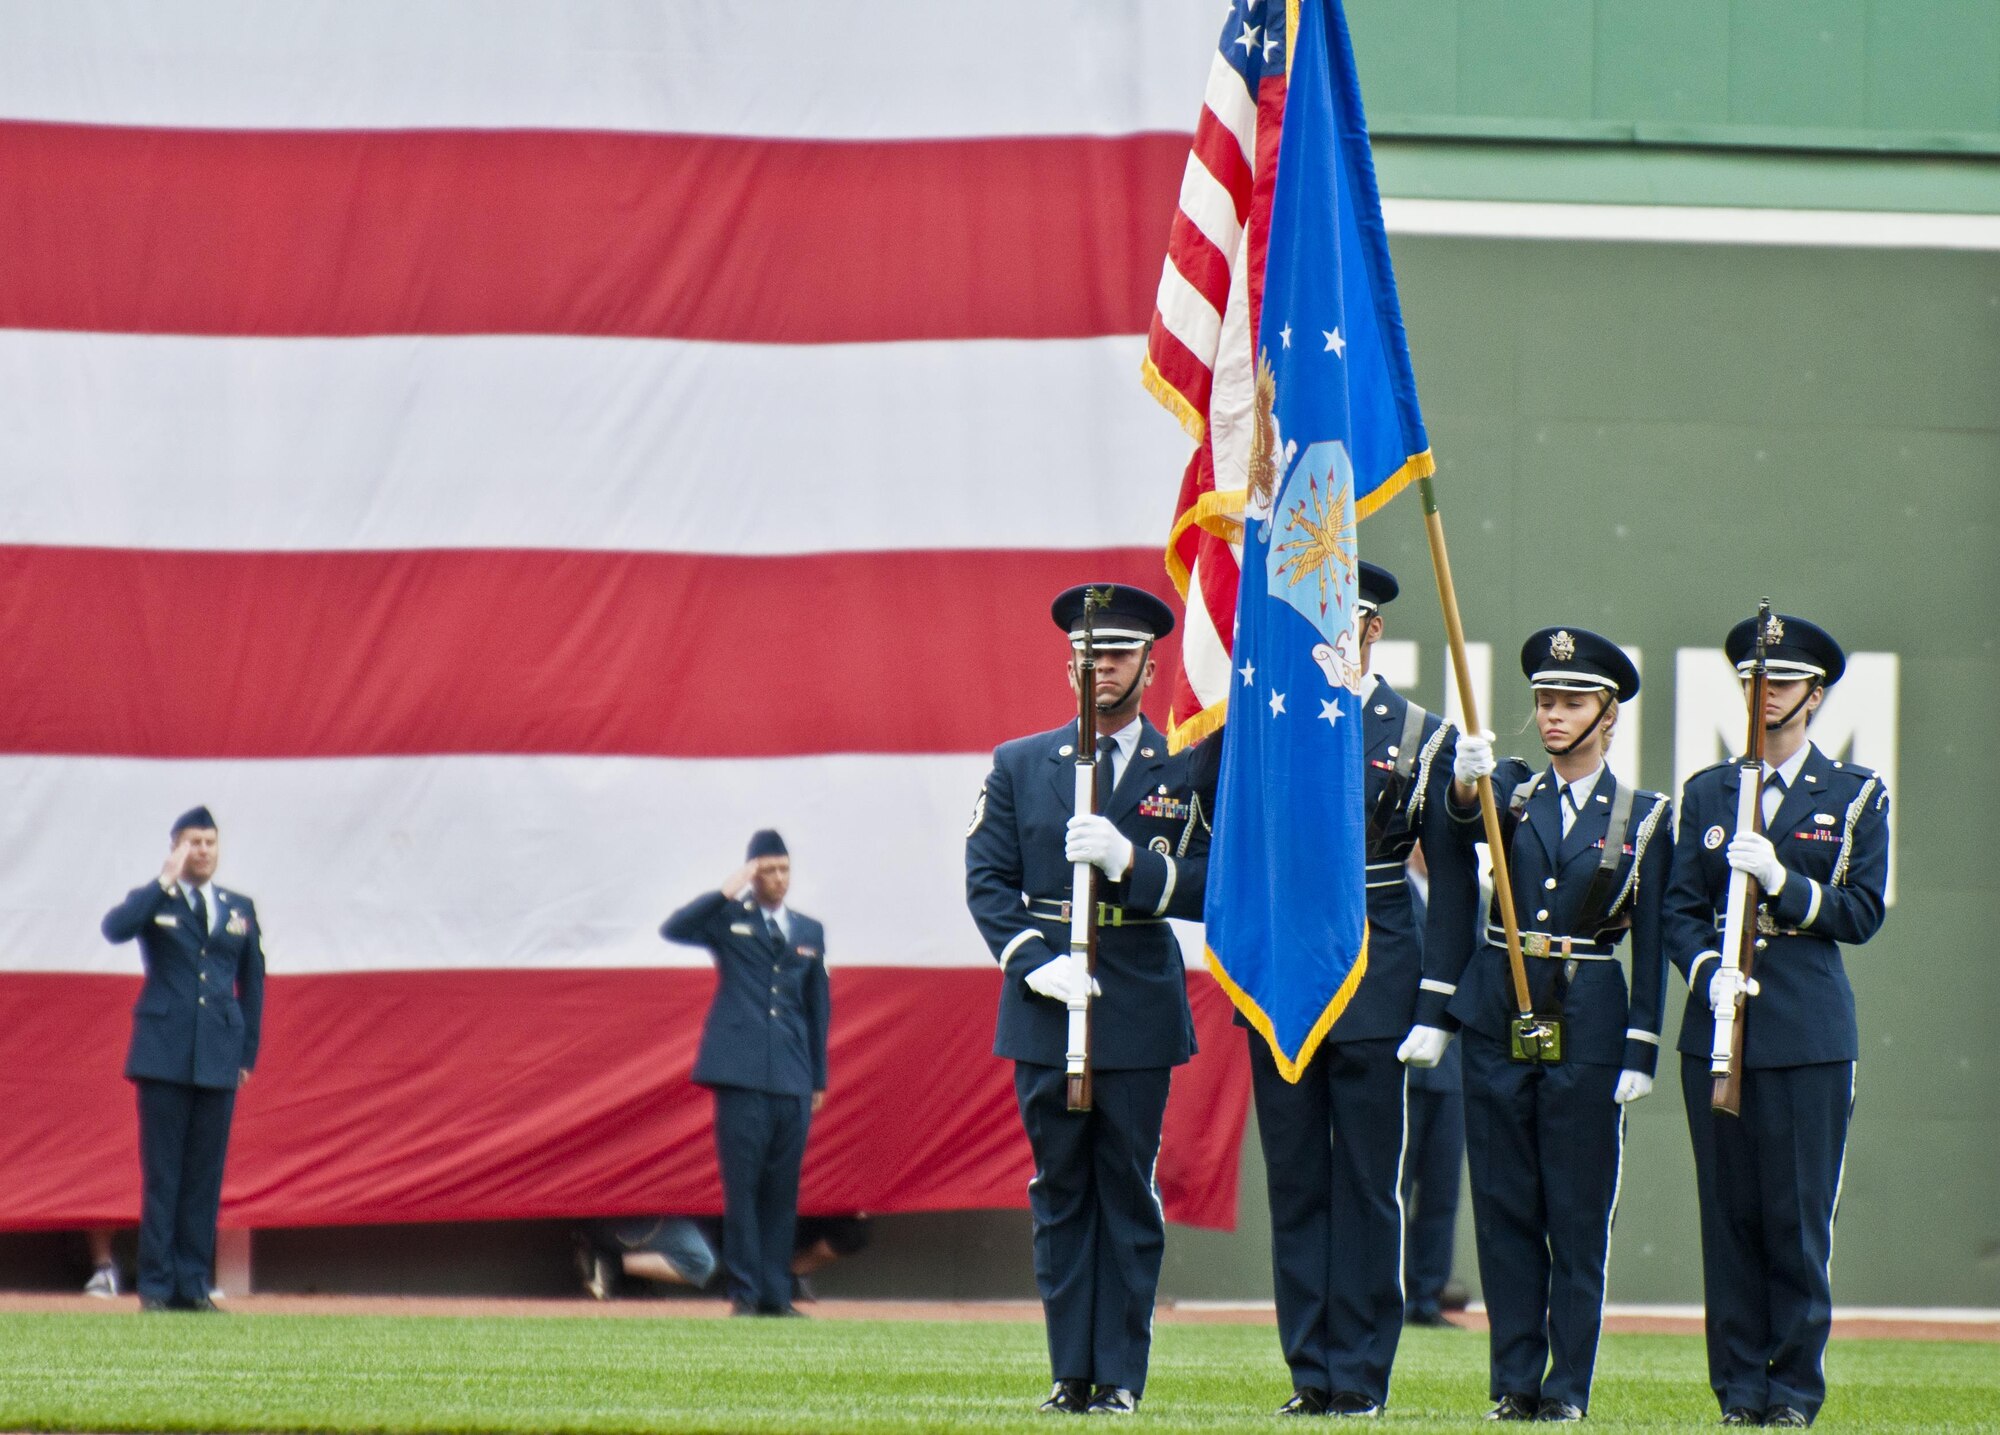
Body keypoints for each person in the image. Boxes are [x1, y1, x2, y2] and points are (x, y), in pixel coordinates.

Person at [1402, 629, 1672, 1422]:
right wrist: (1460, 788)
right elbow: (1452, 842)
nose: (1552, 716)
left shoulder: (1644, 816)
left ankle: (1566, 1387)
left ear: (1608, 714)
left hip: (1588, 1017)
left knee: (1576, 1214)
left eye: (1571, 703)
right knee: (1506, 1206)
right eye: (1545, 701)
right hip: (1500, 1010)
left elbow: (1651, 944)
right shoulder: (1510, 792)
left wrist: (1643, 1044)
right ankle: (1515, 1381)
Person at [964, 582, 1211, 1415]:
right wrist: (1033, 961)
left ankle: (1120, 1377)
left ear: (1149, 663)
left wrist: (1131, 866)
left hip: (1134, 994)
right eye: (1085, 653)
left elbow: (1221, 887)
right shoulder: (1022, 762)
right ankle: (1070, 1371)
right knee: (1060, 1190)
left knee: (1125, 1188)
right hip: (1045, 1001)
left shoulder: (1183, 767)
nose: (1097, 667)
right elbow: (987, 881)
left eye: (1114, 654)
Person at [1246, 561, 1474, 1417]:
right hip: (1288, 978)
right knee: (1299, 1183)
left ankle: (1362, 1377)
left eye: (1346, 617)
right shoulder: (1270, 716)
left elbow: (1452, 881)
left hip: (1379, 976)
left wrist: (1437, 1002)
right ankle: (1310, 1371)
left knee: (1370, 1186)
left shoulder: (1417, 732)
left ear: (1373, 629)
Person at [1665, 614, 1889, 1429]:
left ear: (1814, 695)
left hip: (1805, 1032)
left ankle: (1792, 1387)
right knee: (1729, 1217)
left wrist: (1786, 884)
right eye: (1756, 683)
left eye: (1783, 684)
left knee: (1796, 1218)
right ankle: (1738, 1388)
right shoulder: (1709, 791)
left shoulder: (1854, 793)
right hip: (1719, 1025)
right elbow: (1681, 908)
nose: (1766, 698)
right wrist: (1704, 970)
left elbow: (1861, 911)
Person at [100, 806, 266, 1313]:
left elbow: (252, 984)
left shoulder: (237, 907)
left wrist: (246, 1053)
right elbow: (116, 928)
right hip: (164, 1054)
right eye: (193, 842)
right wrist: (163, 880)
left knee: (204, 1176)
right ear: (176, 846)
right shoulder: (157, 900)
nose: (203, 851)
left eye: (210, 842)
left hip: (217, 1053)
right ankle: (156, 1286)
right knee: (164, 1174)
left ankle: (193, 1285)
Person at [661, 830, 829, 1317]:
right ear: (754, 872)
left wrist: (817, 1077)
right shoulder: (729, 920)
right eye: (768, 870)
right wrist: (729, 888)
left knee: (782, 1190)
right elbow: (677, 928)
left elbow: (818, 1009)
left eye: (784, 869)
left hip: (793, 1076)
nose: (778, 879)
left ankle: (777, 1295)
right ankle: (746, 1294)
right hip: (740, 1074)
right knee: (743, 1187)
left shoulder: (809, 932)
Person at [1398, 853, 1467, 1332]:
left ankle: (1428, 1295)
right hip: (1401, 1065)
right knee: (1395, 1189)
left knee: (1442, 1190)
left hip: (1451, 1069)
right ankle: (1392, 1291)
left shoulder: (1467, 897)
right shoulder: (1387, 891)